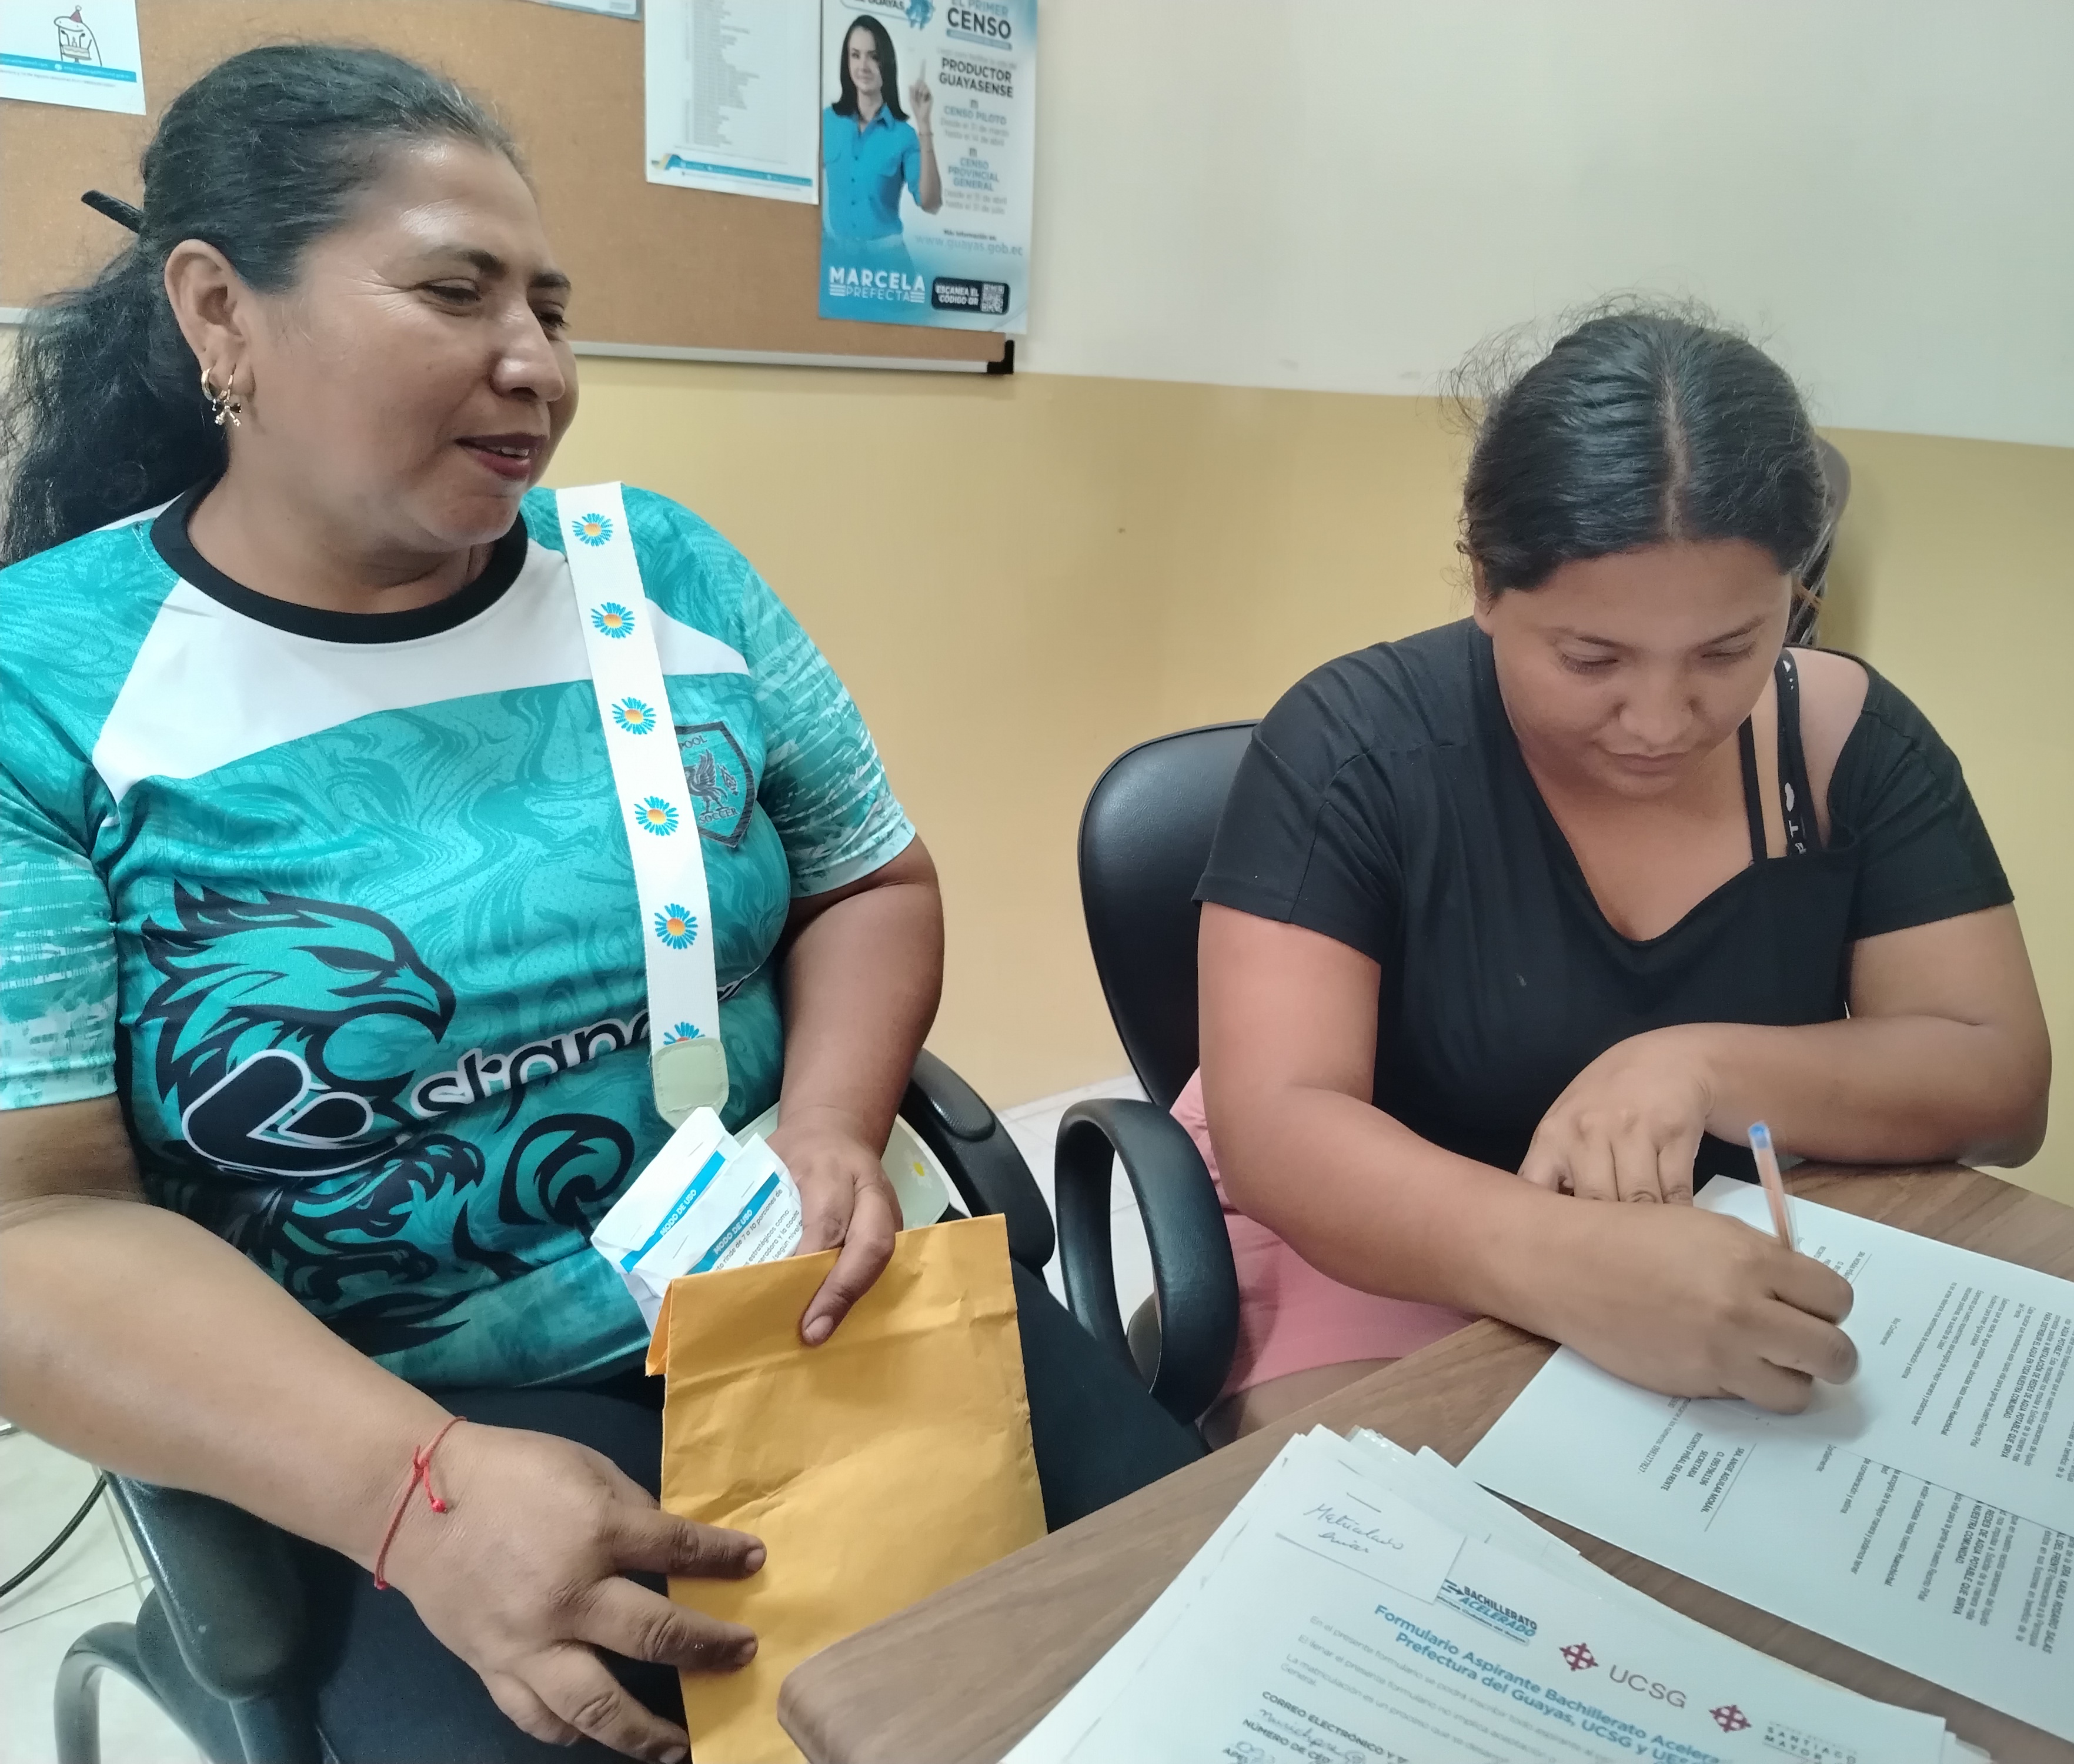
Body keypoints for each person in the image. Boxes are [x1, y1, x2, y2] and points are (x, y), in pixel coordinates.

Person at [0, 45, 1194, 1764]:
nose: (537, 365)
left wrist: (831, 1126)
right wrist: (413, 1491)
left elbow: (868, 875)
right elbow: (36, 1226)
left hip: (796, 1304)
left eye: (552, 310)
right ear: (217, 311)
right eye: (456, 292)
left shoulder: (663, 570)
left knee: (1203, 1650)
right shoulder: (42, 685)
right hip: (388, 1418)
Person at [1184, 306, 2052, 1445]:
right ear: (1485, 586)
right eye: (1590, 658)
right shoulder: (1352, 747)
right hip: (1390, 1237)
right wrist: (1576, 1265)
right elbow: (1280, 1127)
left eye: (1727, 652)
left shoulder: (1847, 751)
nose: (1658, 721)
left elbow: (1998, 1081)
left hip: (1708, 1244)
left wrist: (1695, 1065)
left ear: (1793, 601)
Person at [820, 14, 940, 282]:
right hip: (837, 266)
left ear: (886, 64)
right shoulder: (827, 122)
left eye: (873, 57)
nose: (863, 66)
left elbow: (931, 203)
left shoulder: (904, 136)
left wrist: (924, 123)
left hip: (888, 269)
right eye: (855, 55)